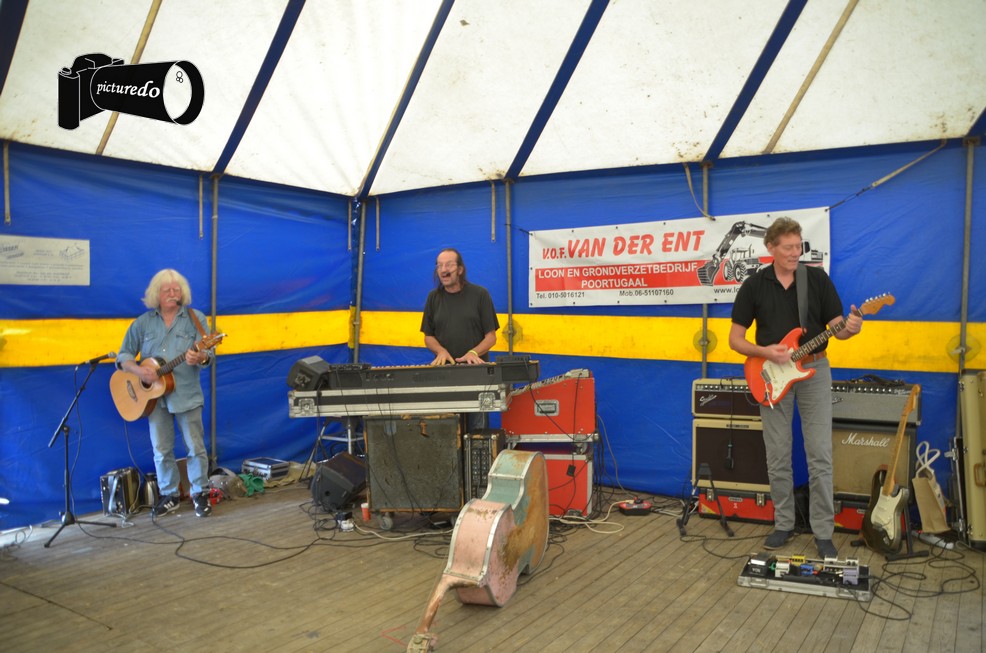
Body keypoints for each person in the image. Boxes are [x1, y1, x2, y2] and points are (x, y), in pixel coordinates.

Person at [728, 217, 862, 559]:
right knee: (777, 454)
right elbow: (735, 339)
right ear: (770, 248)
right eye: (787, 247)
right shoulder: (754, 285)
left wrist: (851, 328)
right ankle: (784, 524)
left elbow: (837, 328)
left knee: (820, 454)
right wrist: (765, 352)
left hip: (814, 369)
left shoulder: (816, 279)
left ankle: (823, 532)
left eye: (798, 246)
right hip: (771, 376)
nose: (794, 253)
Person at [116, 269, 216, 518]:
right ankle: (169, 494)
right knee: (161, 449)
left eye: (176, 289)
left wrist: (200, 357)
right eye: (167, 290)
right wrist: (139, 371)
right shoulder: (143, 322)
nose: (173, 293)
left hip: (187, 395)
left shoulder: (195, 319)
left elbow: (209, 355)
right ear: (156, 294)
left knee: (195, 447)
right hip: (154, 400)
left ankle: (200, 493)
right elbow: (123, 356)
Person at [421, 248, 499, 432]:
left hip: (477, 376)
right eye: (439, 265)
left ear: (460, 269)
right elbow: (428, 337)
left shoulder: (480, 295)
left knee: (477, 433)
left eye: (449, 265)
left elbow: (491, 337)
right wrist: (440, 351)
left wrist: (473, 353)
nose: (443, 269)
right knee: (446, 432)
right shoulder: (433, 298)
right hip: (444, 377)